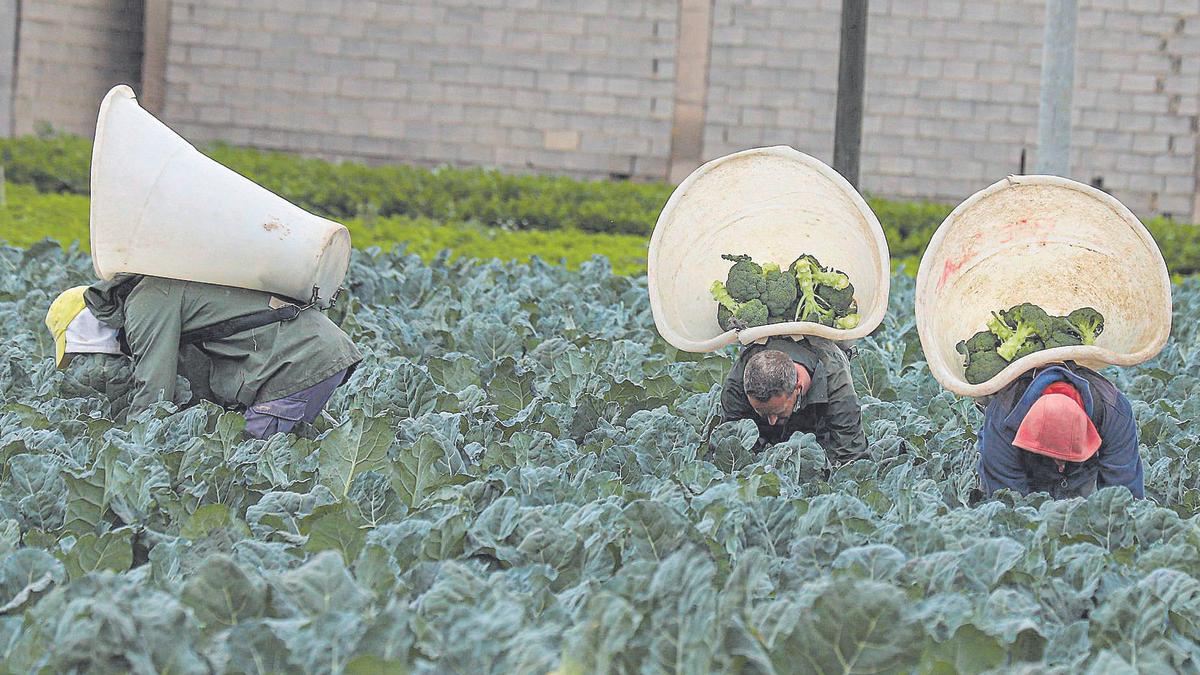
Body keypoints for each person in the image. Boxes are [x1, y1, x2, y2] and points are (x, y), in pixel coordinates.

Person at [77, 274, 361, 439]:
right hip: (318, 351)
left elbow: (155, 390)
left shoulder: (146, 301)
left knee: (245, 467)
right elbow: (201, 377)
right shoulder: (168, 283)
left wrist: (131, 444)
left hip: (298, 361)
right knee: (299, 452)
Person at [977, 362, 1143, 499]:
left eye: (1064, 459)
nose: (1061, 466)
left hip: (1081, 472)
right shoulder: (1002, 423)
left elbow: (1124, 491)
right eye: (1055, 458)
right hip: (1025, 466)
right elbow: (1007, 501)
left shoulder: (1114, 412)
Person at [720, 336, 867, 464]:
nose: (772, 421)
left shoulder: (836, 383)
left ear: (798, 387)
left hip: (818, 407)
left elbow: (850, 454)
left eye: (778, 412)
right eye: (763, 413)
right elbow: (734, 446)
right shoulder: (736, 387)